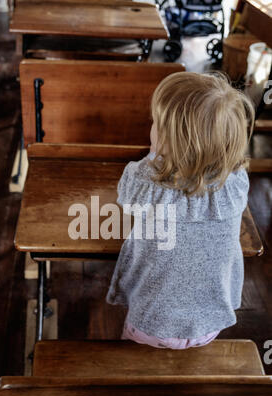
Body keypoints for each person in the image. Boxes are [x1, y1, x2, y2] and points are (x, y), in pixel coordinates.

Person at [106, 71, 254, 349]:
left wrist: (156, 156)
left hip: (150, 324)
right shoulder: (236, 183)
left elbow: (127, 199)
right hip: (209, 325)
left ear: (169, 140)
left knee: (134, 356)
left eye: (156, 124)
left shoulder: (141, 181)